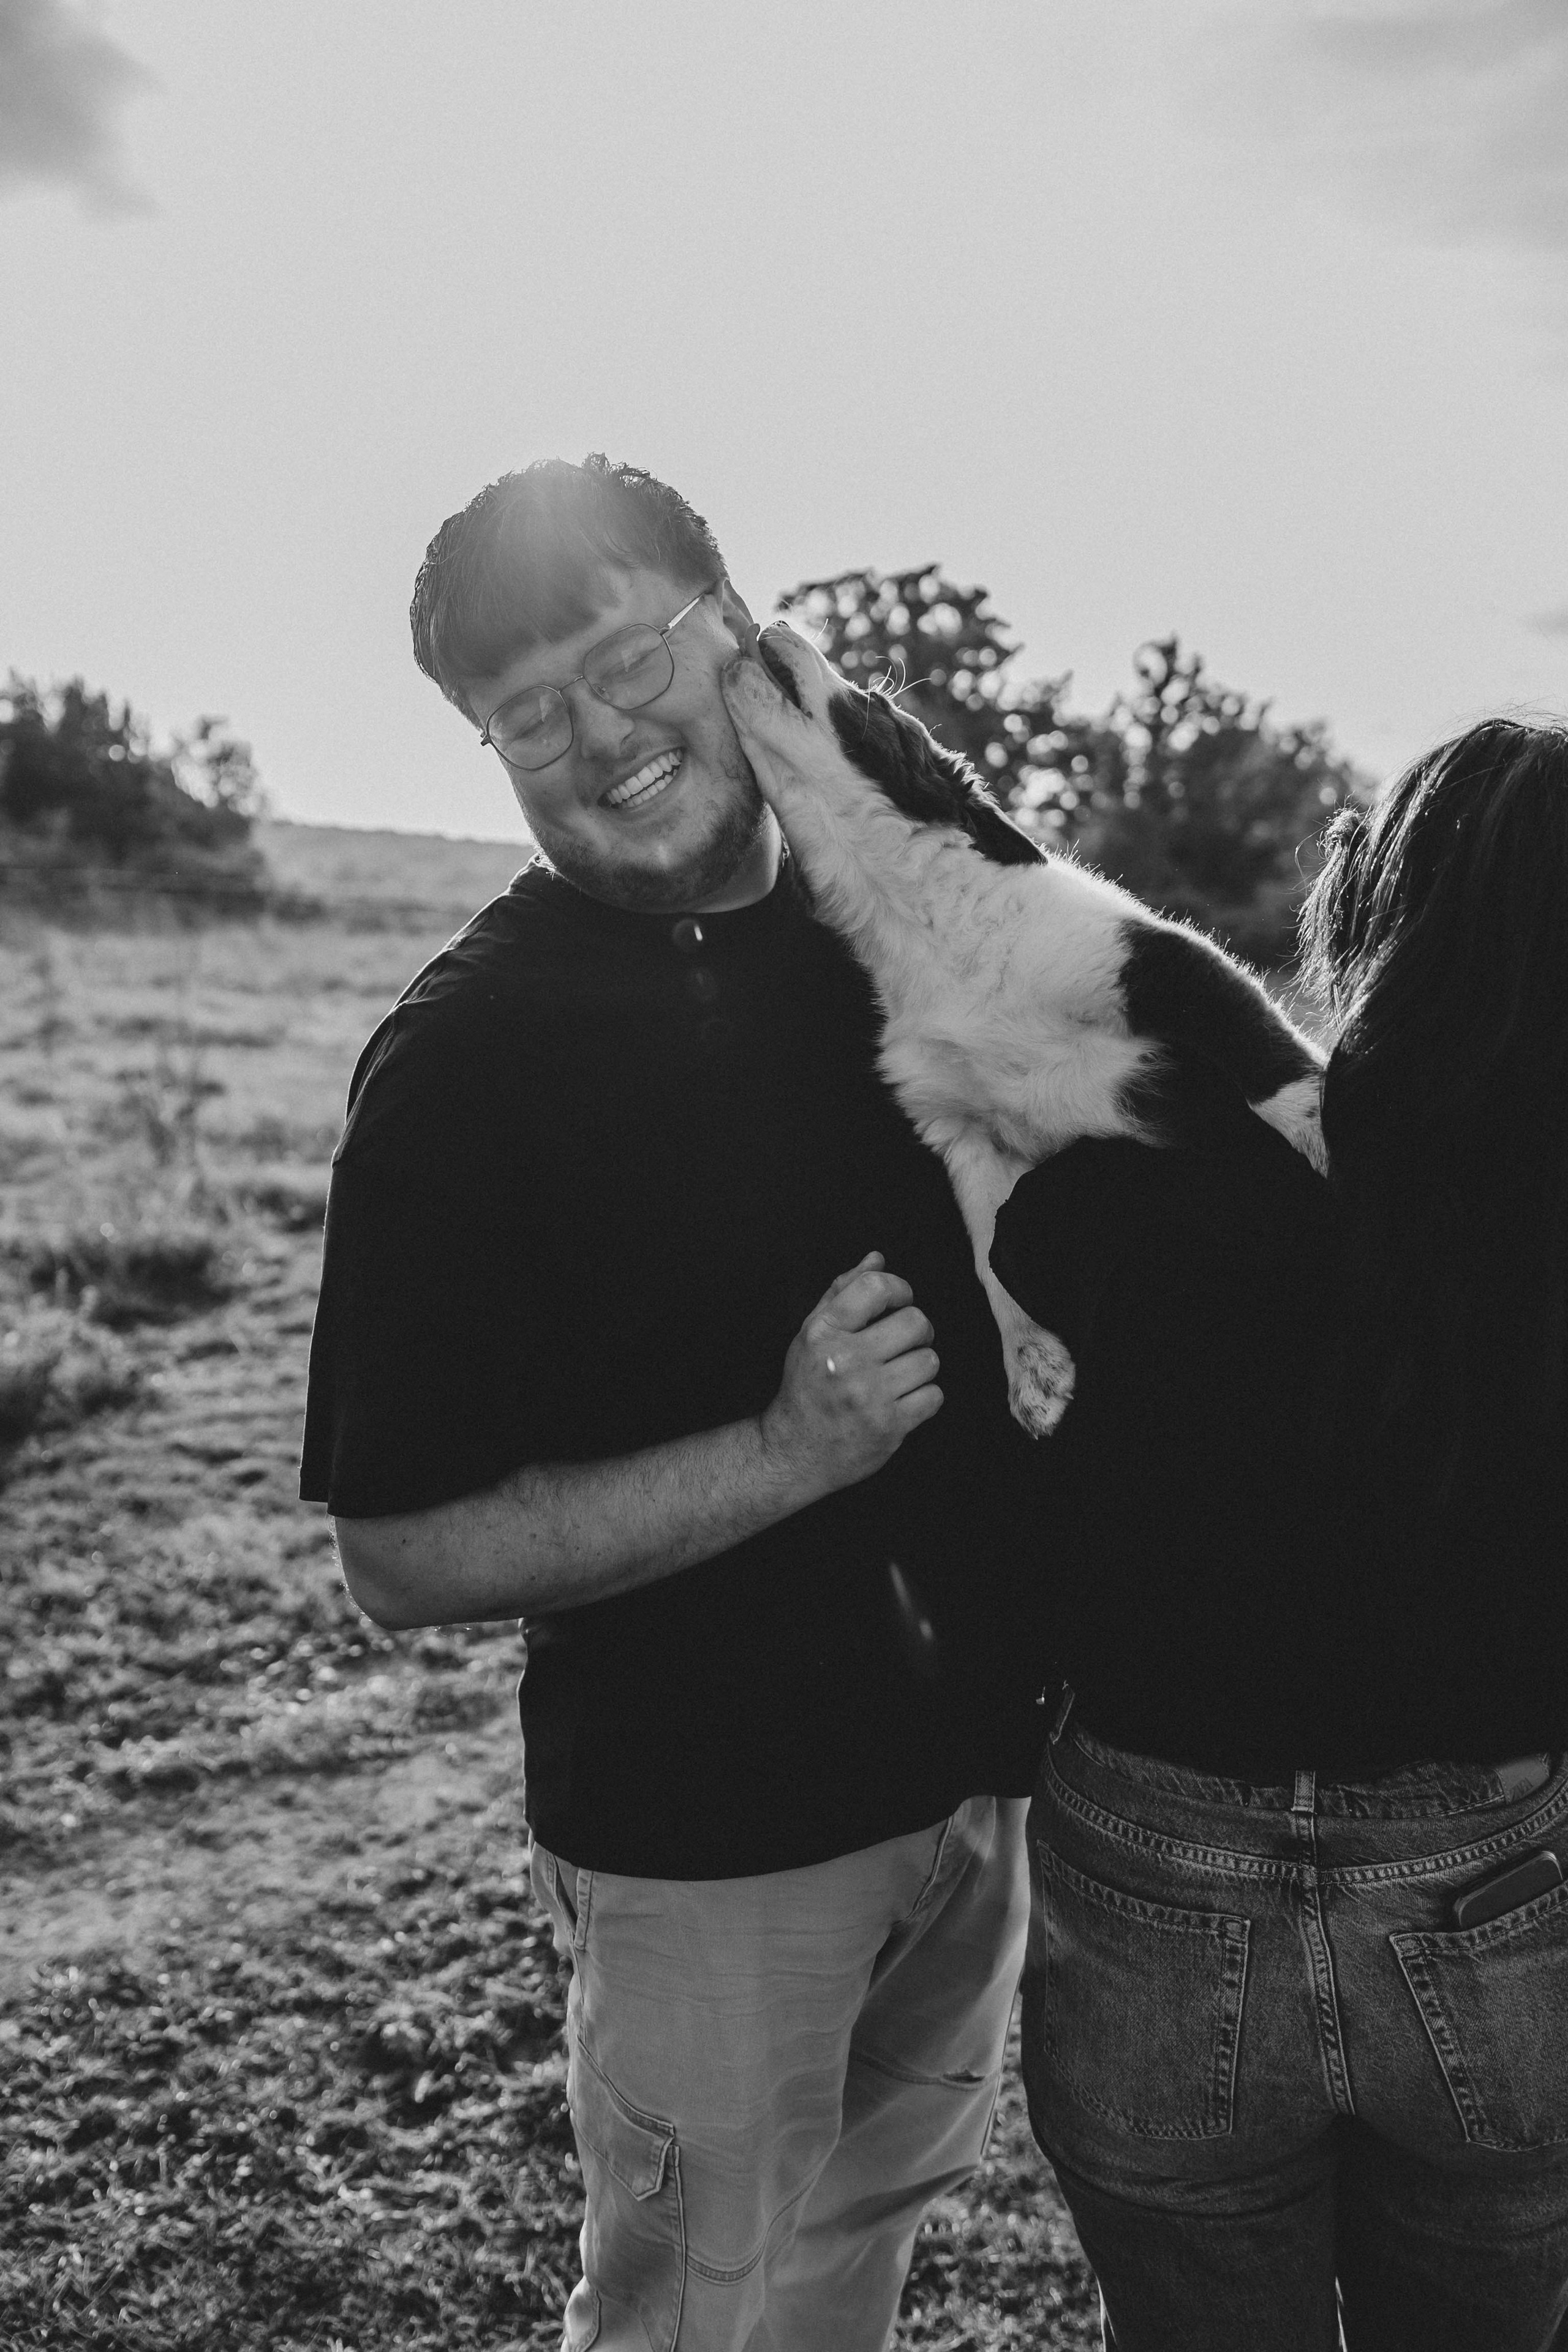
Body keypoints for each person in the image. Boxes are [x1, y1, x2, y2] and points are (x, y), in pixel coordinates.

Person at [299, 456, 1044, 2351]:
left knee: (856, 2269)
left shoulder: (889, 925)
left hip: (980, 1795)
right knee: (700, 2321)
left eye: (631, 654)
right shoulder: (465, 1066)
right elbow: (398, 1551)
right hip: (713, 1855)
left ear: (742, 634)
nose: (597, 734)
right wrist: (791, 1450)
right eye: (523, 711)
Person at [988, 716, 1568, 2350]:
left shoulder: (1140, 1173)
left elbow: (1012, 1484)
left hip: (1158, 1863)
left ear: (1382, 901)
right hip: (1502, 1881)